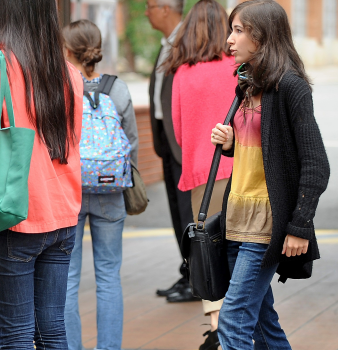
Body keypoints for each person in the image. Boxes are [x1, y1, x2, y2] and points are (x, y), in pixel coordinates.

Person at [0, 0, 84, 347]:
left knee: (15, 333)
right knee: (52, 330)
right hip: (64, 216)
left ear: (8, 11)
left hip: (17, 216)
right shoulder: (69, 73)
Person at [210, 1, 330, 348]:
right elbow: (264, 151)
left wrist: (300, 226)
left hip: (265, 225)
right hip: (236, 218)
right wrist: (233, 144)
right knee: (263, 324)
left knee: (232, 321)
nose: (230, 39)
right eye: (232, 29)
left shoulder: (290, 87)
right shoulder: (246, 86)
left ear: (261, 38)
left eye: (238, 30)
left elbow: (316, 164)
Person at [60, 19, 137, 350]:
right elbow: (130, 140)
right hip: (110, 190)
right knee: (108, 277)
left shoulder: (59, 85)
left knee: (66, 281)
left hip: (69, 190)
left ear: (67, 49)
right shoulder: (116, 88)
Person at [164, 1, 235, 348]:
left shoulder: (181, 72)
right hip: (239, 171)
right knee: (243, 251)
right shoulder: (237, 67)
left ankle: (216, 325)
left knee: (208, 252)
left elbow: (177, 132)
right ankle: (241, 324)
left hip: (199, 176)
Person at [144, 0, 198, 303]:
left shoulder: (187, 42)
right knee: (178, 212)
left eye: (150, 6)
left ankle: (197, 277)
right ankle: (188, 271)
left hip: (183, 143)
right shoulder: (168, 43)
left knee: (188, 212)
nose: (146, 12)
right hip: (167, 141)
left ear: (166, 8)